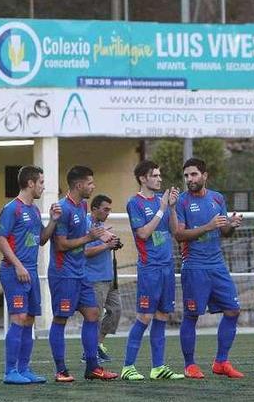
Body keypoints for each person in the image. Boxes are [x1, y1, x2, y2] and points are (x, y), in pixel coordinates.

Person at [174, 158, 245, 379]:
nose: (189, 179)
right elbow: (179, 235)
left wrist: (230, 226)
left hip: (217, 265)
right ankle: (190, 365)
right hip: (194, 266)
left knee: (233, 310)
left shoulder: (217, 198)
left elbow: (223, 232)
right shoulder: (182, 202)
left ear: (205, 175)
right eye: (186, 175)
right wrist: (209, 226)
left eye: (194, 175)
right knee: (192, 315)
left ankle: (221, 362)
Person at [48, 166, 119, 382]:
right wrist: (90, 238)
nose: (93, 186)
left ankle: (93, 367)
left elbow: (88, 235)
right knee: (61, 319)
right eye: (90, 183)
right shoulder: (63, 209)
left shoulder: (83, 206)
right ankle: (61, 370)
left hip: (81, 274)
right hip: (64, 274)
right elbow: (60, 245)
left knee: (93, 315)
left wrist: (102, 236)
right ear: (79, 185)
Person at [0, 165, 61, 384]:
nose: (44, 186)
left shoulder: (33, 211)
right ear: (30, 183)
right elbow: (1, 240)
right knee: (19, 317)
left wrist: (52, 220)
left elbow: (41, 239)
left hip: (31, 271)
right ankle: (10, 371)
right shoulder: (11, 209)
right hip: (14, 271)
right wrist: (18, 266)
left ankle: (24, 369)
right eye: (41, 182)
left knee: (30, 319)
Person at [120, 161, 184, 381]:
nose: (159, 178)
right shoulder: (134, 203)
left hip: (167, 267)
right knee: (145, 316)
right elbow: (144, 234)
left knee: (162, 316)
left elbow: (176, 232)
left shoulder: (162, 202)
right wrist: (163, 209)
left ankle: (158, 367)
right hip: (149, 269)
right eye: (154, 175)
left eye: (159, 174)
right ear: (142, 179)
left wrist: (173, 208)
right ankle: (127, 366)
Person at [85, 194, 123, 364]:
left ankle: (98, 345)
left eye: (109, 209)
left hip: (109, 277)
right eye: (105, 209)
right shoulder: (86, 225)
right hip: (94, 278)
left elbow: (108, 244)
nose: (108, 212)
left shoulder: (102, 226)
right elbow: (85, 252)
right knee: (95, 316)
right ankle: (89, 352)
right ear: (94, 209)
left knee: (116, 311)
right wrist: (107, 245)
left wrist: (114, 242)